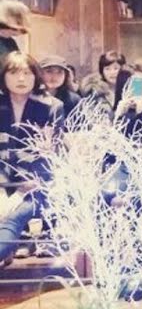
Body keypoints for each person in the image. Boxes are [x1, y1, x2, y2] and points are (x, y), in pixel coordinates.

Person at [0, 52, 61, 265]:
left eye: (27, 73)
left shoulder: (51, 106)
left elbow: (47, 155)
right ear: (3, 76)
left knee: (12, 217)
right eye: (14, 73)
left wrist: (18, 192)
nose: (21, 79)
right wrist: (2, 190)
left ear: (36, 76)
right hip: (2, 182)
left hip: (34, 183)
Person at [40, 55, 81, 119]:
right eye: (49, 71)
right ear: (39, 73)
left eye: (59, 72)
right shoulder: (31, 97)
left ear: (66, 75)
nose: (54, 76)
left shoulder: (73, 100)